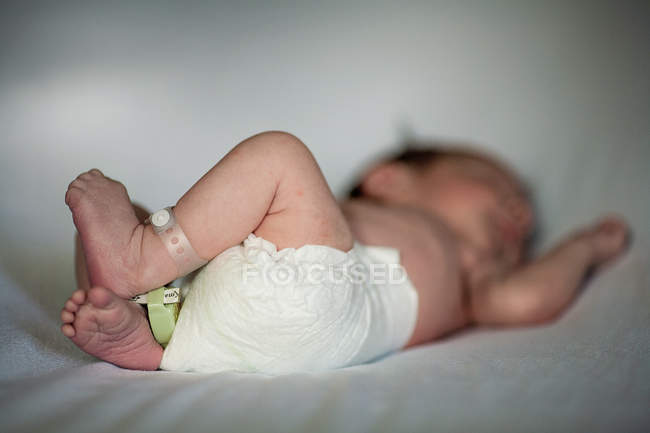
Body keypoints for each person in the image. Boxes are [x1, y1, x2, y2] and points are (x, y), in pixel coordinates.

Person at [60, 131, 629, 372]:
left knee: (279, 154)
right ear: (389, 180)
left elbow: (527, 299)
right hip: (217, 314)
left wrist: (580, 249)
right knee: (142, 232)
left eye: (525, 218)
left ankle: (139, 258)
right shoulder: (359, 213)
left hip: (331, 301)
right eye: (496, 188)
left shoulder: (473, 271)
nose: (521, 215)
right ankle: (145, 337)